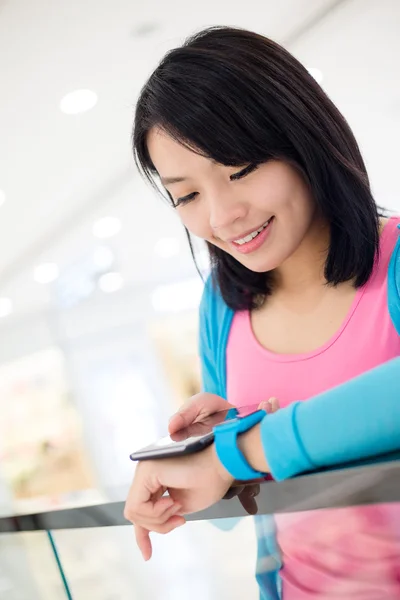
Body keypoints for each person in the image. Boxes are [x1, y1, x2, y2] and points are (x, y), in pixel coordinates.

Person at [124, 26, 400, 599]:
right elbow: (243, 505)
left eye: (240, 169)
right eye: (188, 196)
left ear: (303, 138)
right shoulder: (221, 310)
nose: (224, 215)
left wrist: (240, 448)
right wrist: (194, 466)